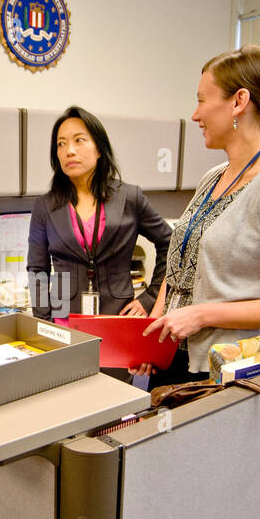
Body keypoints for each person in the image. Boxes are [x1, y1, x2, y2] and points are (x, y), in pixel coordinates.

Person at [138, 45, 260, 387]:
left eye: (201, 100)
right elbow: (182, 261)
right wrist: (152, 331)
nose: (195, 115)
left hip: (231, 367)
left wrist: (202, 314)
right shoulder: (215, 176)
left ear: (239, 101)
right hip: (176, 354)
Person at [27, 108, 172, 372]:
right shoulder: (45, 207)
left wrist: (150, 298)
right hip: (63, 328)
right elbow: (37, 270)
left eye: (79, 140)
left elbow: (170, 244)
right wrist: (43, 324)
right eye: (61, 144)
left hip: (117, 324)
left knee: (114, 405)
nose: (69, 150)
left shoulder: (130, 198)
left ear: (99, 148)